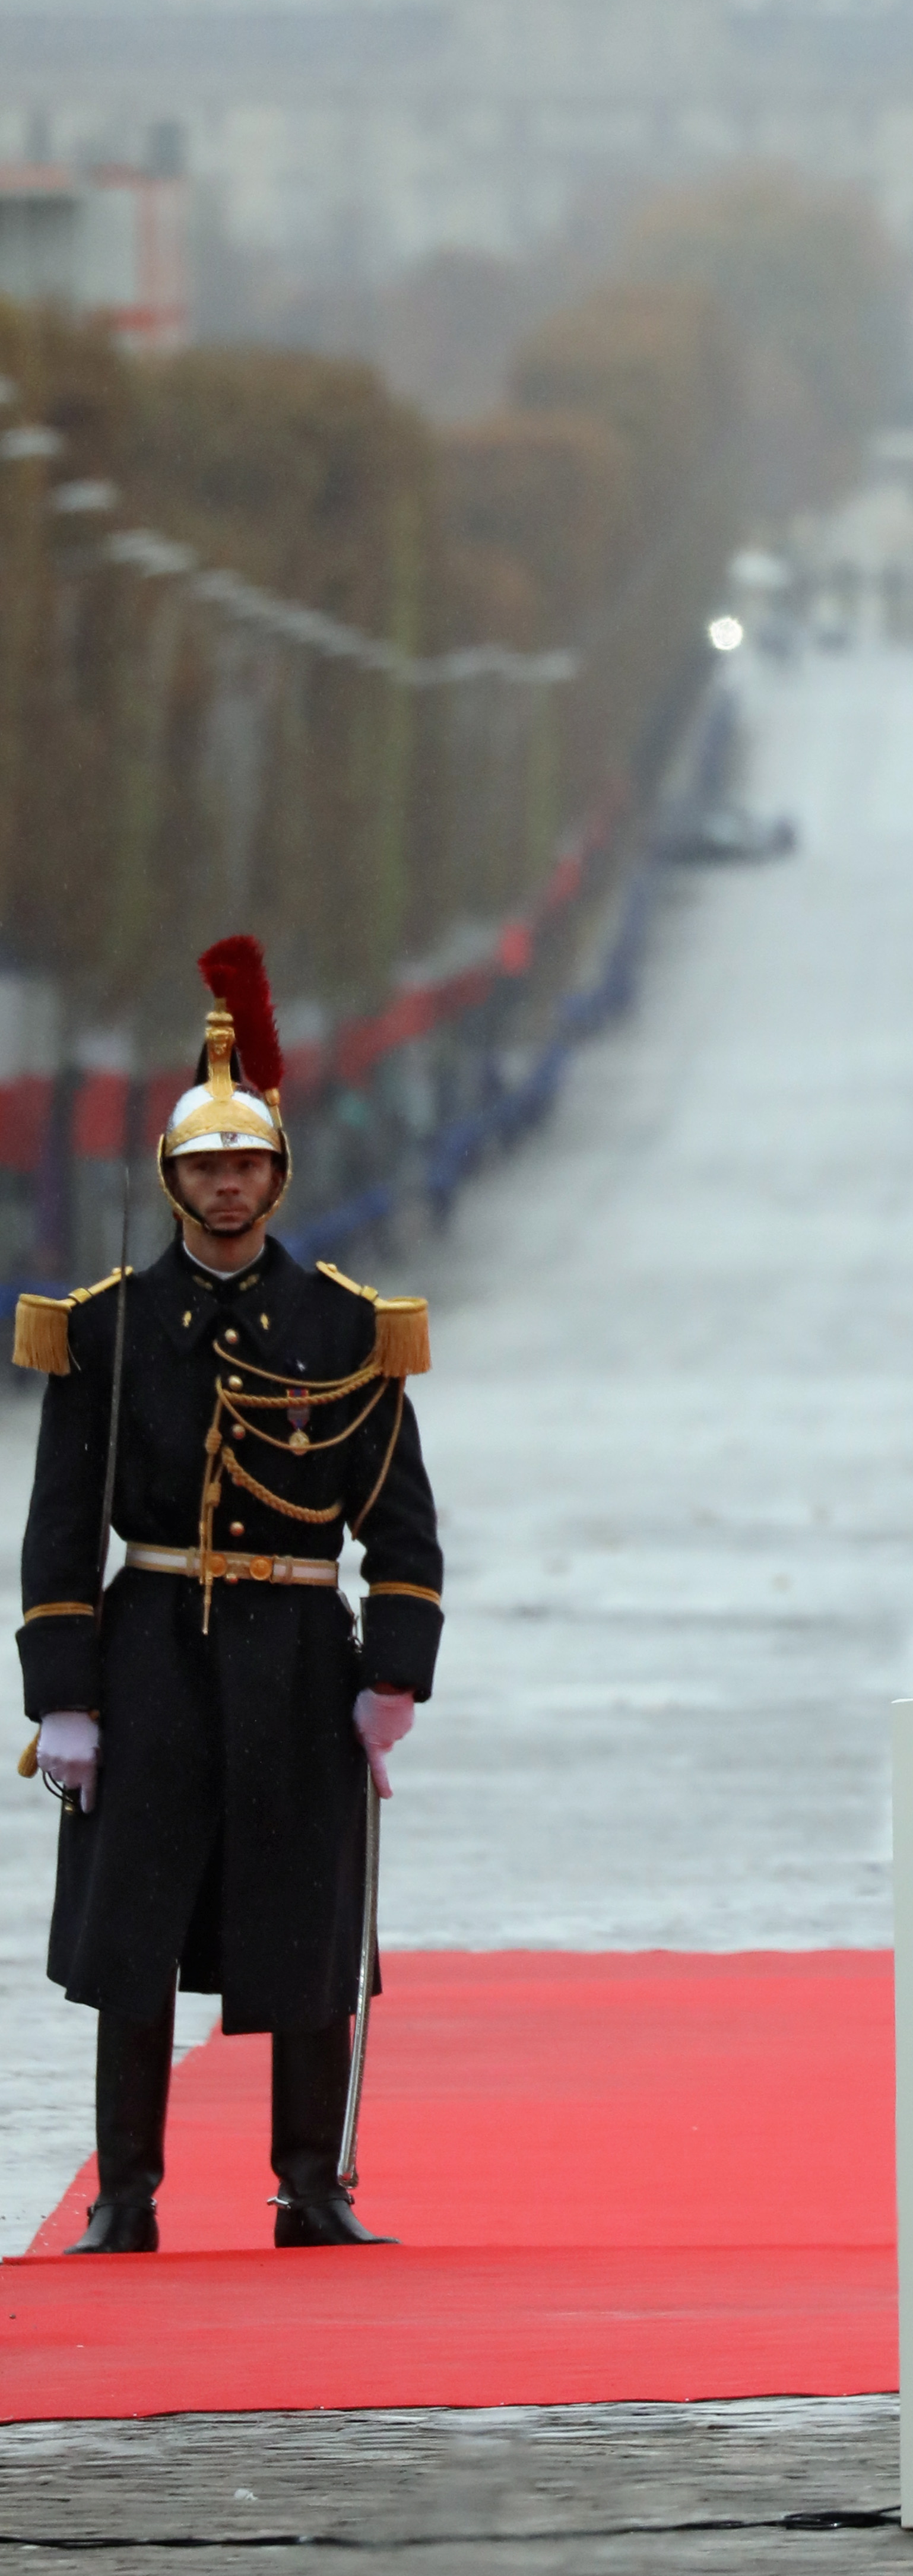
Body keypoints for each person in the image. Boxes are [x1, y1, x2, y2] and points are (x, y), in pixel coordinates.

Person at [14, 935, 445, 2250]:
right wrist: (65, 1700)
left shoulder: (341, 1325)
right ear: (171, 1179)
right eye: (205, 1166)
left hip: (298, 1659)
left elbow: (403, 1525)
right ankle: (124, 2197)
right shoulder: (106, 1327)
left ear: (277, 1174)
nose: (227, 1185)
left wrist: (392, 1675)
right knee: (132, 1928)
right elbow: (57, 1527)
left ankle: (312, 2189)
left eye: (247, 1162)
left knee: (309, 1929)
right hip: (151, 1651)